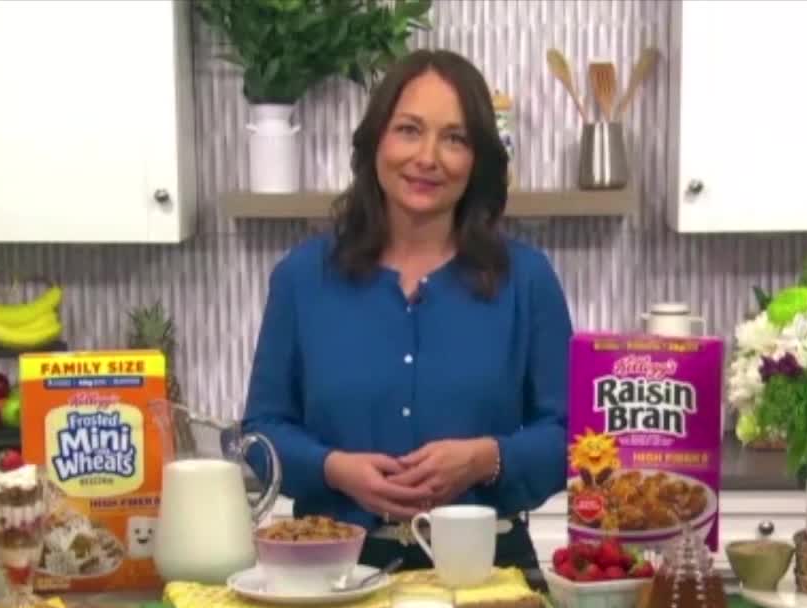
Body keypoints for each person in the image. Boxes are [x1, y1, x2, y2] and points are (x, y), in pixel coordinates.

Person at [241, 49, 572, 572]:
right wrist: (333, 469)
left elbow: (573, 438)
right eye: (409, 130)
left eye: (455, 138)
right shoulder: (301, 279)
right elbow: (260, 434)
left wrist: (486, 459)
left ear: (478, 160)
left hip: (487, 572)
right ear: (376, 140)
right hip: (331, 571)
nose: (427, 157)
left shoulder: (527, 280)